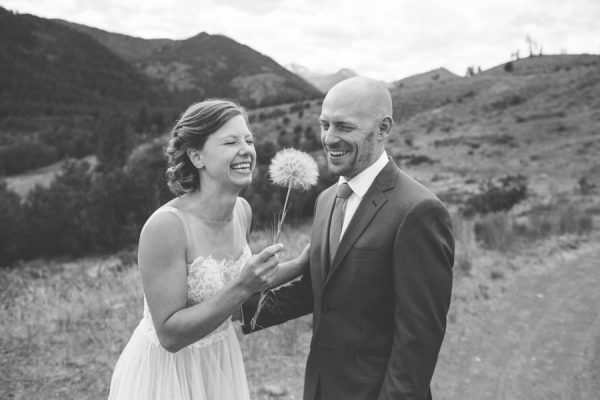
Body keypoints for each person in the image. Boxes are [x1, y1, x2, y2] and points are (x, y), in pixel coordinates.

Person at [242, 77, 455, 400]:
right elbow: (316, 292)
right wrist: (231, 305)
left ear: (383, 128)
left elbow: (419, 338)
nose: (329, 138)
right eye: (325, 124)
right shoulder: (327, 200)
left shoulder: (418, 211)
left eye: (344, 127)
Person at [108, 99, 308, 400]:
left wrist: (304, 264)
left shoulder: (242, 211)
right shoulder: (166, 226)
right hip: (168, 374)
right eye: (230, 141)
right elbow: (170, 335)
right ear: (197, 157)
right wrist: (243, 286)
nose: (246, 150)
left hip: (219, 362)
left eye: (248, 140)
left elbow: (240, 286)